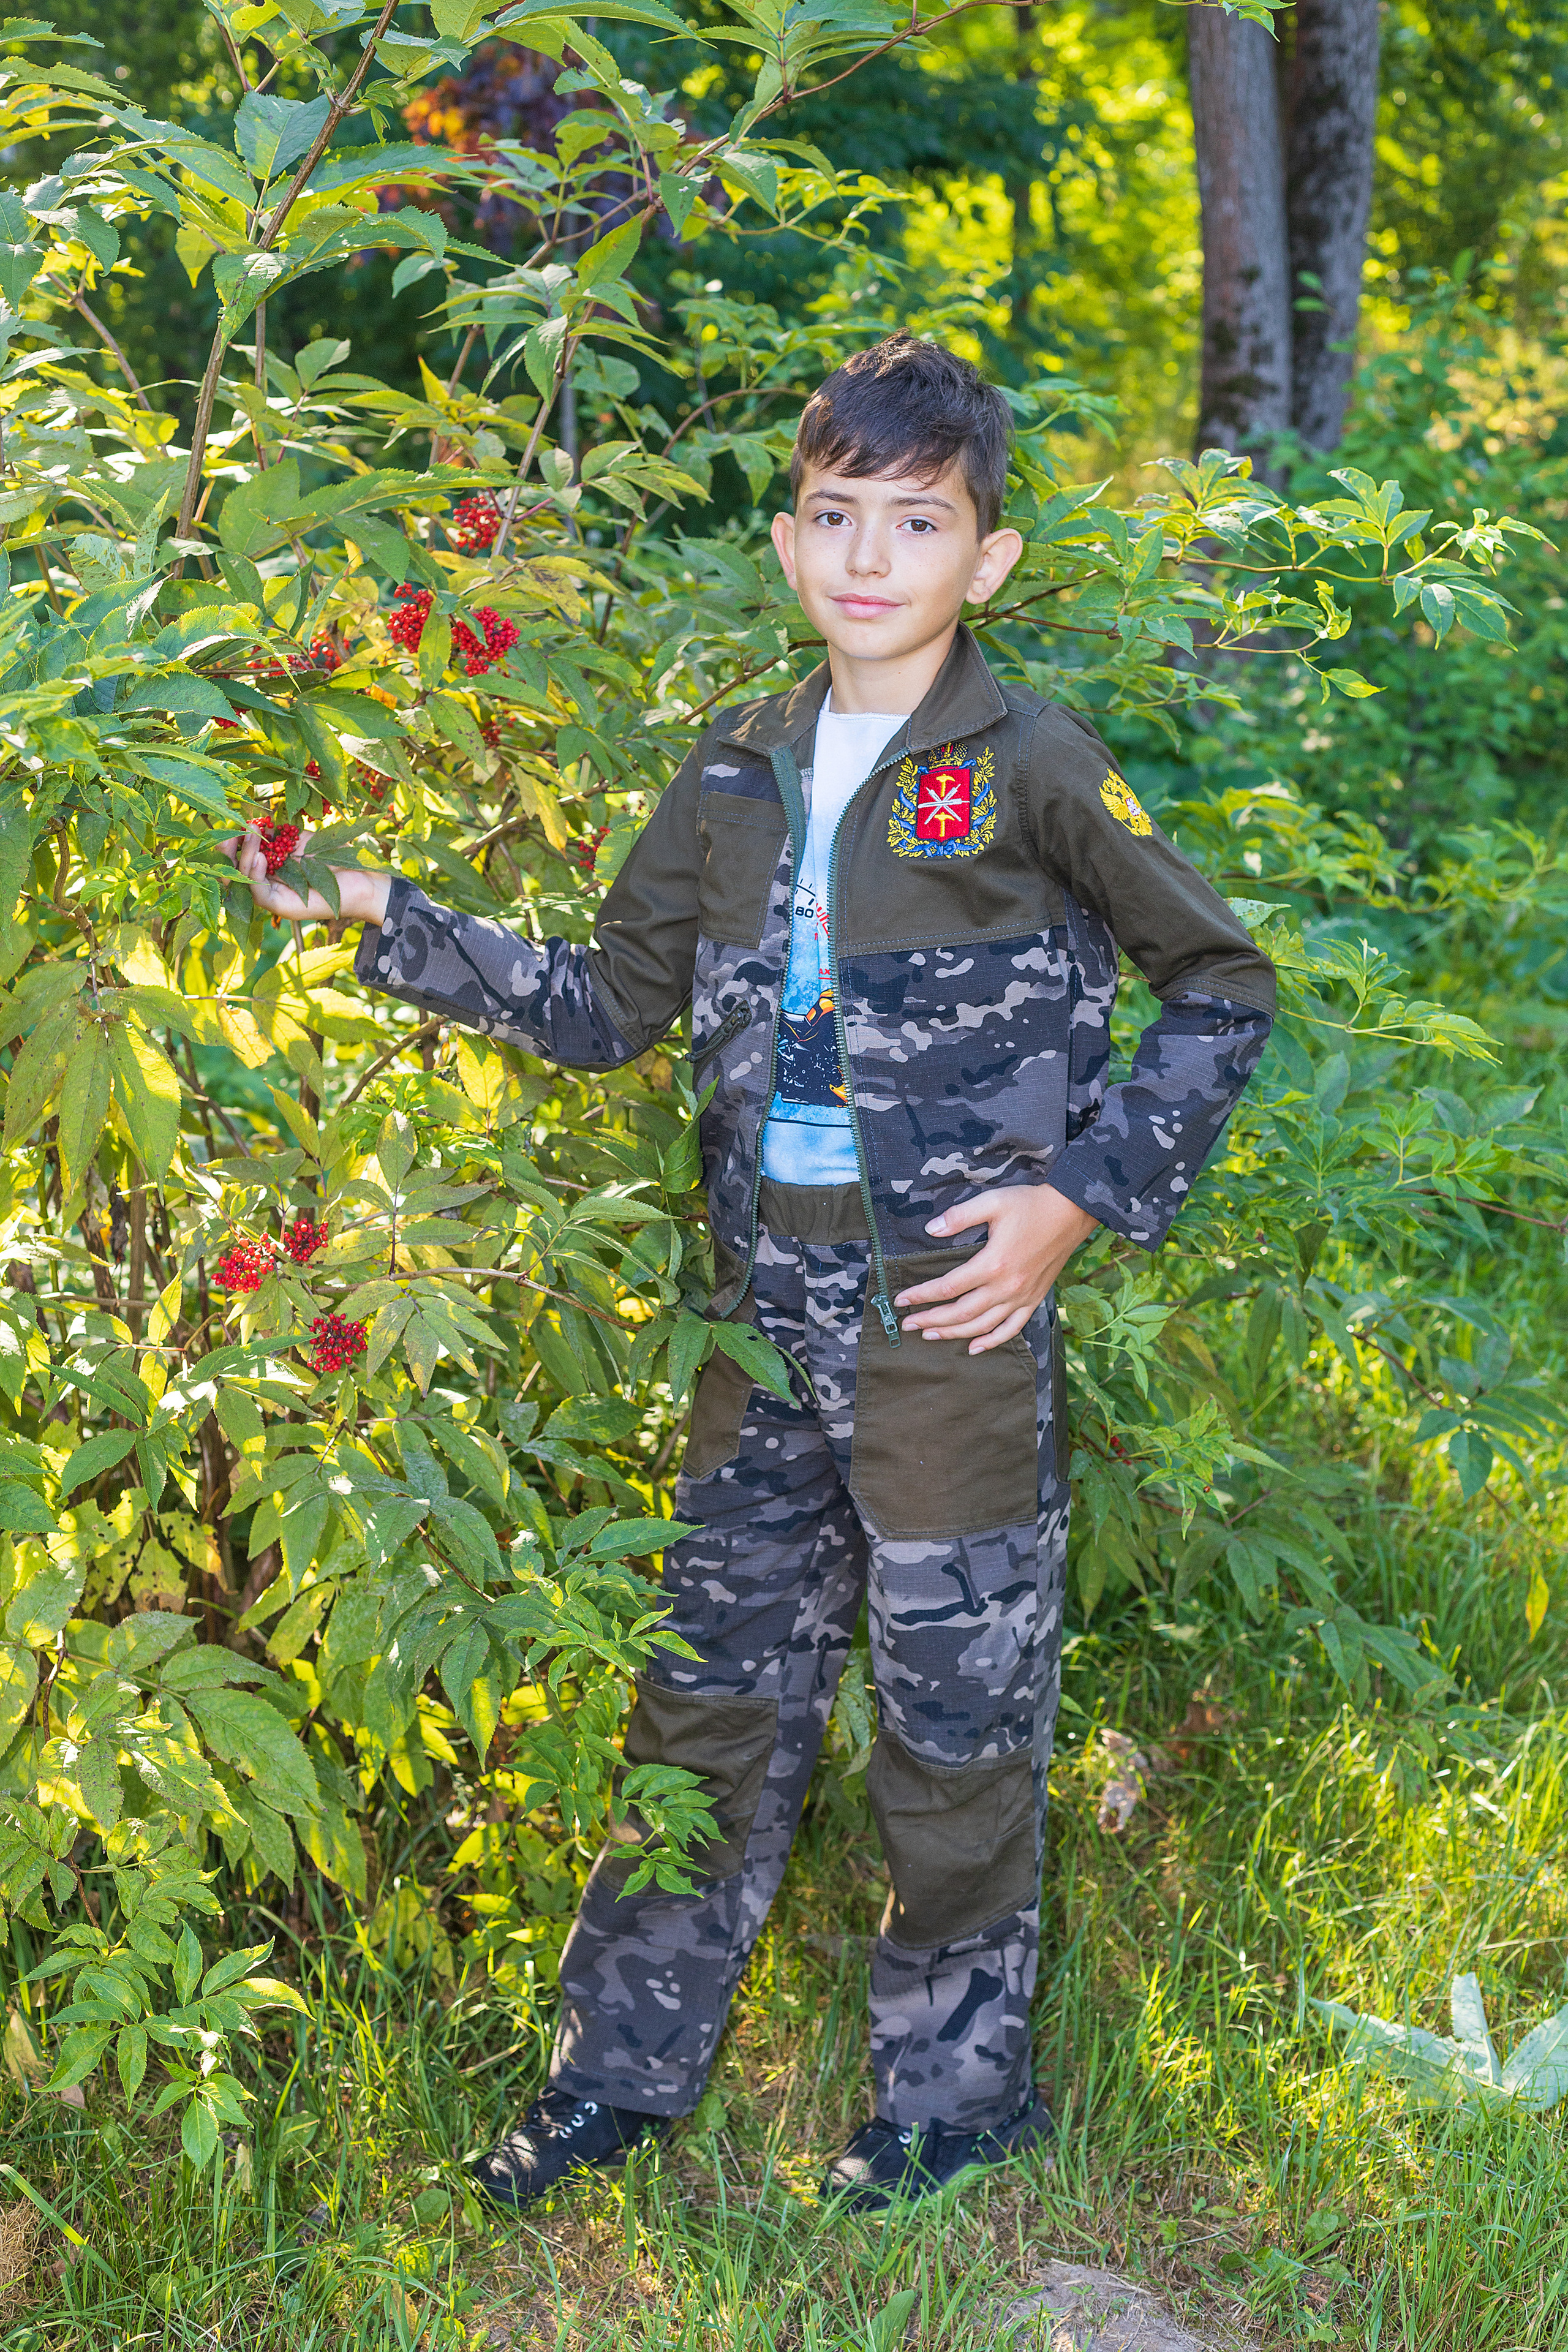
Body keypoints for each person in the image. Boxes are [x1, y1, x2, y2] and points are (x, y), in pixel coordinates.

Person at [224, 333, 1275, 2212]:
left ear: (990, 557)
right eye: (837, 516)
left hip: (947, 1320)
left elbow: (1223, 985)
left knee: (954, 1723)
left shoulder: (1028, 765)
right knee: (704, 1705)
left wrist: (1080, 1202)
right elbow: (608, 1004)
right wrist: (385, 917)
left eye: (918, 521)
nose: (872, 555)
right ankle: (616, 2074)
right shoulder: (735, 767)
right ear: (789, 546)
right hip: (755, 1327)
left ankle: (954, 2101)